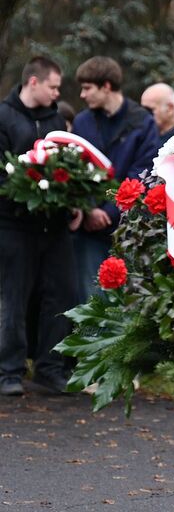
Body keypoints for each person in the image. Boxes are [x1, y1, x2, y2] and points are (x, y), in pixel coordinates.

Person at [0, 56, 77, 395]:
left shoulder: (56, 119)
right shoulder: (4, 117)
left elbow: (67, 164)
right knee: (14, 299)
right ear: (34, 82)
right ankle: (9, 371)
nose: (57, 93)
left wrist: (72, 200)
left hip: (54, 225)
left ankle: (50, 367)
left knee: (60, 296)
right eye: (53, 87)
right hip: (14, 224)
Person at [72, 56, 159, 303]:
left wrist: (109, 212)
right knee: (92, 302)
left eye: (87, 88)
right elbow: (76, 171)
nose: (82, 95)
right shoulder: (82, 122)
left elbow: (142, 174)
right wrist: (89, 209)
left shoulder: (142, 123)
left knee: (127, 302)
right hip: (89, 229)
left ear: (106, 86)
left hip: (127, 228)